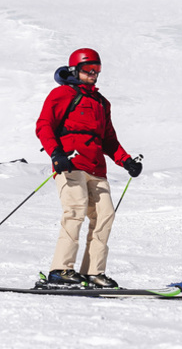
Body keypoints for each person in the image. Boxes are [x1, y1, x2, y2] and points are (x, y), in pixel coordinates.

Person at [35, 48, 142, 289]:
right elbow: (44, 125)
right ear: (75, 70)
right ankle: (60, 270)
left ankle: (93, 272)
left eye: (97, 70)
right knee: (74, 211)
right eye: (88, 70)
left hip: (96, 167)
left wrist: (126, 161)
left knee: (105, 216)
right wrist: (55, 153)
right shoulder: (62, 94)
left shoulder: (102, 103)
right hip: (70, 164)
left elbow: (109, 140)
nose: (93, 75)